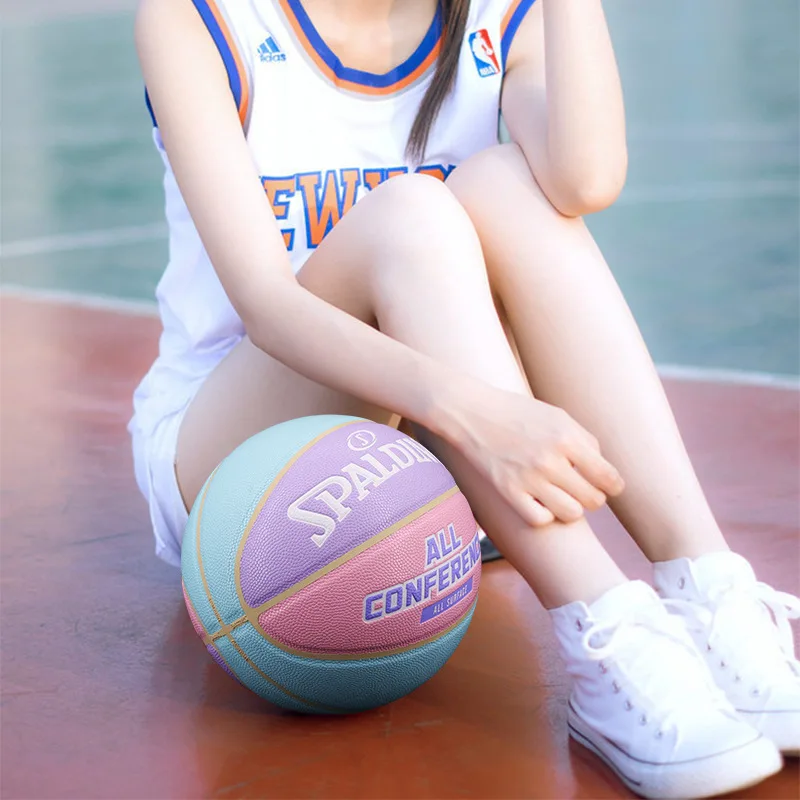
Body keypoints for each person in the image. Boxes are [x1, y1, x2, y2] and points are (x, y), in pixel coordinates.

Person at [129, 0, 799, 796]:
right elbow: (267, 306)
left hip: (437, 446)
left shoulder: (496, 14)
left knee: (510, 181)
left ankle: (708, 586)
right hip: (242, 451)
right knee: (412, 214)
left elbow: (585, 181)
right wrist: (476, 413)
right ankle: (604, 630)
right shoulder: (200, 18)